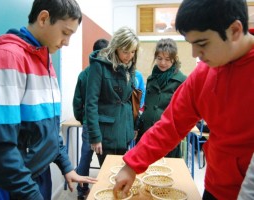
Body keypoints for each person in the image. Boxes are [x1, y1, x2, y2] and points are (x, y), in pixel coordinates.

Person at [113, 0, 254, 199]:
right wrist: (132, 165)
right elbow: (171, 124)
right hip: (216, 187)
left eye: (202, 44)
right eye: (192, 44)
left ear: (235, 30)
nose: (195, 54)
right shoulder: (203, 75)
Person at [0, 0, 97, 199]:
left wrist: (66, 166)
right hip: (14, 180)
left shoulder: (44, 59)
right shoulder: (6, 58)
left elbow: (48, 127)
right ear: (43, 18)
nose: (67, 42)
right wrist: (31, 194)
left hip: (36, 169)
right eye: (65, 33)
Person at [86, 26, 140, 166]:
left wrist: (133, 125)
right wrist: (95, 136)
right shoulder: (99, 66)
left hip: (125, 132)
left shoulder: (130, 68)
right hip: (106, 134)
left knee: (120, 174)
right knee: (107, 176)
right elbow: (91, 103)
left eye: (133, 52)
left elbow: (129, 100)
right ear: (116, 47)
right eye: (126, 51)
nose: (130, 56)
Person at [135, 38, 186, 159]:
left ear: (174, 59)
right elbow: (146, 106)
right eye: (159, 58)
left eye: (167, 59)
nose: (163, 63)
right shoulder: (151, 78)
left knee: (166, 172)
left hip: (167, 136)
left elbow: (183, 112)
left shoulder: (181, 80)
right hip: (146, 133)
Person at [73, 38, 109, 200]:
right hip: (105, 123)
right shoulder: (108, 73)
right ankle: (108, 189)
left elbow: (77, 102)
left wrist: (83, 119)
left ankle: (82, 192)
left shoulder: (84, 73)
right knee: (107, 159)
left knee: (85, 158)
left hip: (89, 122)